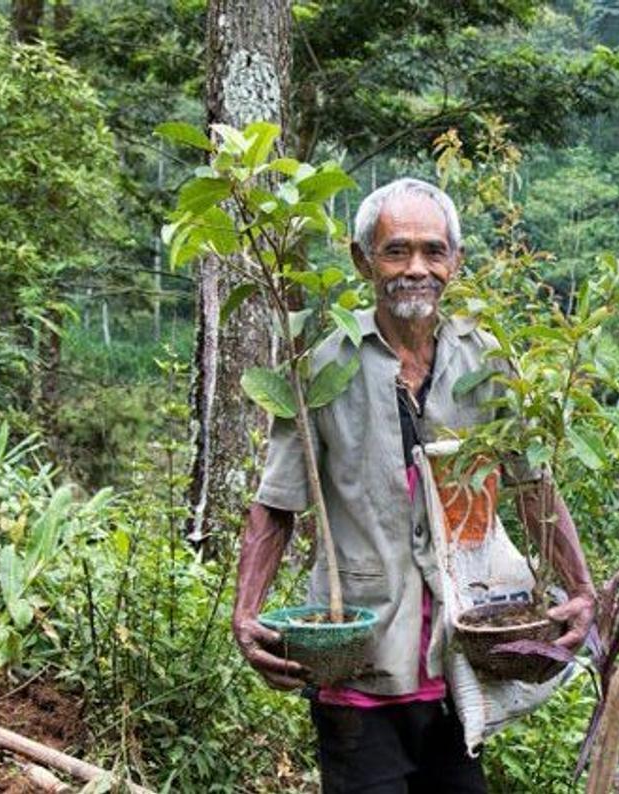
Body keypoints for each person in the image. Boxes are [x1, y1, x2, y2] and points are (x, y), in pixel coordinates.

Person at [231, 177, 597, 794]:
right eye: (396, 251)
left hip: (462, 661)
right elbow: (276, 506)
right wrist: (246, 615)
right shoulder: (320, 370)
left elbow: (534, 484)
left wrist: (583, 590)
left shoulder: (485, 362)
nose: (416, 269)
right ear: (362, 260)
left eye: (433, 251)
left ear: (455, 261)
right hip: (360, 666)